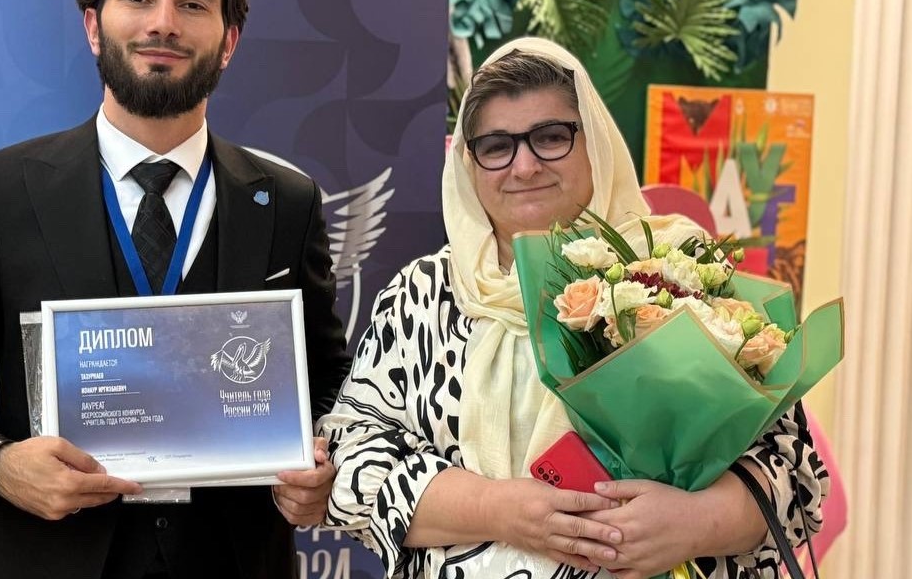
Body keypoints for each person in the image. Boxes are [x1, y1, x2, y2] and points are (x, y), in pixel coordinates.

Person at [0, 0, 352, 579]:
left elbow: (328, 383)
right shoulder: (5, 189)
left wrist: (327, 460)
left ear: (229, 41)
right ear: (94, 25)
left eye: (193, 3)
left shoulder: (286, 202)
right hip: (41, 560)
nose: (164, 22)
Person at [317, 37, 828, 579]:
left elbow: (793, 470)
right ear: (468, 161)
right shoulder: (421, 294)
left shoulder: (679, 269)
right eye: (496, 145)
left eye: (551, 137)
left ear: (595, 142)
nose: (525, 166)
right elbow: (353, 460)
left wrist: (695, 522)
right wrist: (499, 510)